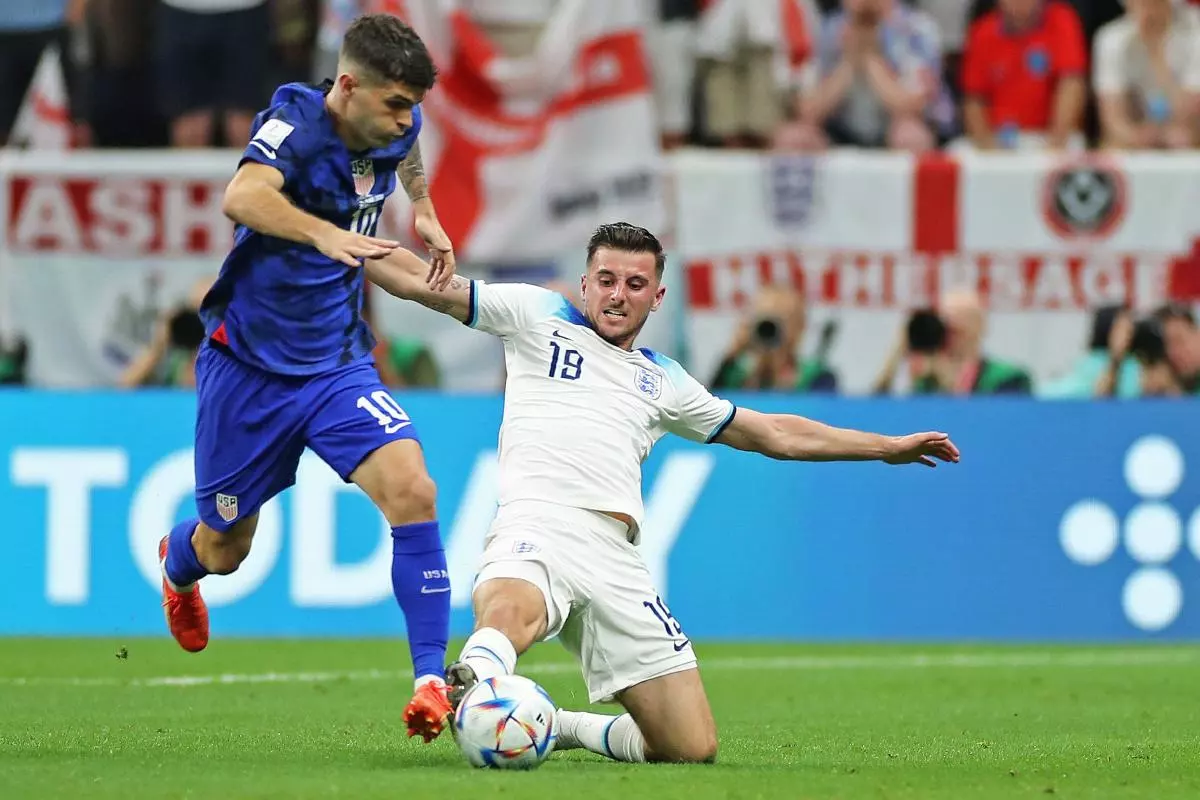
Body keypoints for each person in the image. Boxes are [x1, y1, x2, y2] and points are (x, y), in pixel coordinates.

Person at [364, 222, 960, 763]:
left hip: (617, 557)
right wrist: (337, 236)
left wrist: (885, 446)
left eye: (634, 283)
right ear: (585, 283)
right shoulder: (535, 314)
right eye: (605, 280)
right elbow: (424, 283)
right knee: (510, 607)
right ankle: (471, 678)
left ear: (657, 296)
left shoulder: (664, 380)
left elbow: (773, 432)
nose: (617, 294)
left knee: (689, 746)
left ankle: (557, 724)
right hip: (539, 519)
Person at [154, 14, 460, 743]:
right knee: (227, 550)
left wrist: (425, 209)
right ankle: (178, 561)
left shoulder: (392, 129)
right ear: (347, 86)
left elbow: (407, 152)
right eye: (394, 103)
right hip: (249, 369)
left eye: (414, 105)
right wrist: (324, 233)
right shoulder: (295, 118)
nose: (407, 120)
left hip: (335, 363)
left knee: (414, 490)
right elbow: (243, 196)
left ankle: (430, 682)